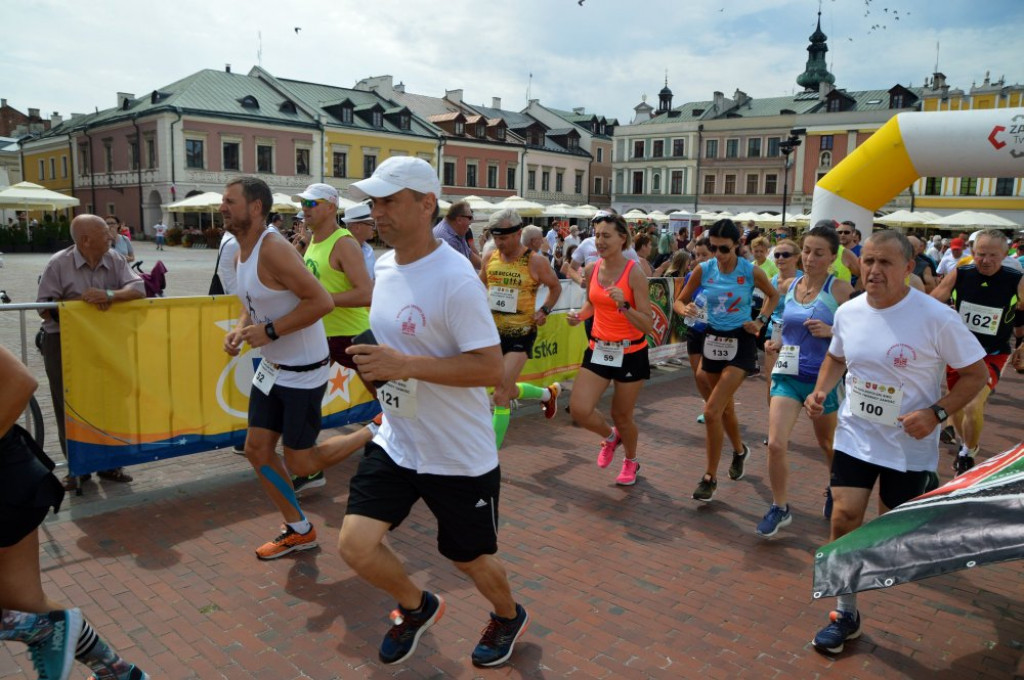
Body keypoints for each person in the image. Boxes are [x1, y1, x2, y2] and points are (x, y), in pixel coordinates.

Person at [339, 156, 529, 668]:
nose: (377, 213)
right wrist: (376, 363)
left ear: (427, 205)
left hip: (457, 452)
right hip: (400, 440)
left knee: (467, 557)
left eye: (390, 201)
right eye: (374, 202)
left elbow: (491, 370)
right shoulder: (382, 265)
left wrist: (405, 364)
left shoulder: (456, 278)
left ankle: (508, 615)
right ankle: (415, 606)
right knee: (355, 545)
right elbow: (397, 338)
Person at [804, 230, 987, 655]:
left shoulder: (935, 317)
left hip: (909, 442)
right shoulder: (849, 312)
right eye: (867, 261)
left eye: (885, 263)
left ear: (908, 268)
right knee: (845, 517)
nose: (873, 270)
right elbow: (836, 357)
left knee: (892, 533)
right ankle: (845, 613)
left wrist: (936, 414)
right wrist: (821, 391)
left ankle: (922, 509)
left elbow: (975, 375)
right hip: (855, 433)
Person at [0, 346, 150, 680]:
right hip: (12, 477)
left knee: (30, 610)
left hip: (7, 480)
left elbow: (20, 381)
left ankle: (42, 632)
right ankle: (119, 673)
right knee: (28, 604)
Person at [220, 176, 337, 560]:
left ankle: (375, 432)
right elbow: (252, 301)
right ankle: (299, 528)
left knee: (301, 461)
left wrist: (269, 331)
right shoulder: (241, 248)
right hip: (272, 368)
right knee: (257, 450)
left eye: (230, 201)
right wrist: (240, 331)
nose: (222, 207)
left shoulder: (273, 248)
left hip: (304, 369)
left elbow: (321, 301)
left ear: (255, 208)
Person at [36, 215, 145, 491]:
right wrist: (79, 310)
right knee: (68, 404)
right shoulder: (58, 263)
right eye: (104, 232)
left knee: (110, 400)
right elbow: (43, 306)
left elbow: (138, 287)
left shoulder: (115, 259)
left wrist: (109, 295)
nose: (111, 235)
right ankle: (77, 468)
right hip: (64, 343)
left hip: (107, 342)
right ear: (85, 239)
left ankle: (111, 464)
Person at [757, 225, 852, 537]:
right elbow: (784, 324)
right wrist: (776, 342)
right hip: (787, 375)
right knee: (775, 444)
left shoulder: (839, 290)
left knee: (827, 444)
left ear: (832, 257)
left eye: (818, 253)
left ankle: (833, 487)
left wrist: (832, 331)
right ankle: (780, 506)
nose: (811, 258)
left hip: (821, 380)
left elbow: (859, 335)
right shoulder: (789, 284)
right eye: (807, 251)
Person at [675, 219, 778, 502]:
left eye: (724, 249)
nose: (718, 254)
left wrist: (760, 321)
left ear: (738, 245)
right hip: (712, 339)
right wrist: (688, 308)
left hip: (741, 341)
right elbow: (679, 301)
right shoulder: (703, 269)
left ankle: (709, 477)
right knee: (726, 410)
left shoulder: (750, 271)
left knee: (711, 412)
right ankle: (740, 451)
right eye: (713, 248)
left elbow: (773, 295)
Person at [290, 183, 373, 492]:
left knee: (390, 397)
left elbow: (366, 292)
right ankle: (310, 469)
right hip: (320, 336)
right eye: (303, 203)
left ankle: (413, 453)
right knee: (305, 401)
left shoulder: (344, 243)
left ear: (330, 206)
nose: (305, 208)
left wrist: (324, 300)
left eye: (311, 203)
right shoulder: (313, 241)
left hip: (354, 334)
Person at [567, 213, 654, 486]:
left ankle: (631, 460)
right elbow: (594, 304)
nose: (600, 241)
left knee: (622, 415)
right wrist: (579, 316)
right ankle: (610, 437)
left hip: (630, 352)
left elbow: (648, 325)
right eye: (597, 235)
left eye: (606, 236)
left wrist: (624, 306)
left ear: (622, 239)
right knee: (579, 409)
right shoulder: (592, 268)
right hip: (599, 348)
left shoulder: (634, 272)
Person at [929, 228, 1024, 474]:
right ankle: (966, 444)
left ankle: (968, 454)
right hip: (958, 352)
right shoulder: (961, 273)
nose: (986, 260)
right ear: (973, 252)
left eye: (993, 255)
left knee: (973, 403)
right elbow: (932, 301)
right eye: (981, 254)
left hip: (992, 353)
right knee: (957, 408)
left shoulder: (1016, 279)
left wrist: (1022, 343)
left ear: (1005, 255)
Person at [479, 209, 562, 449]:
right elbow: (480, 285)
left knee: (500, 395)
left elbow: (555, 288)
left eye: (504, 238)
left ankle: (490, 456)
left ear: (517, 233)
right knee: (508, 388)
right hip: (493, 334)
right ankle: (547, 395)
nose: (499, 243)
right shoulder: (490, 258)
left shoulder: (535, 261)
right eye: (496, 238)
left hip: (522, 333)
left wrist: (544, 310)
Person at [433, 200, 482, 268]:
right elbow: (461, 268)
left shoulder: (457, 232)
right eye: (470, 218)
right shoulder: (447, 239)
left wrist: (488, 268)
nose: (471, 222)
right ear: (459, 220)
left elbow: (470, 255)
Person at [342, 202, 377, 280]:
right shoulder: (341, 250)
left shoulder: (368, 249)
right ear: (357, 227)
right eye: (371, 224)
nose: (374, 228)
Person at [828, 220, 861, 285]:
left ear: (853, 233)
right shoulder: (833, 250)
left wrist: (855, 292)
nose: (842, 235)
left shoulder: (861, 251)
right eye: (839, 232)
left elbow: (864, 275)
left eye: (846, 232)